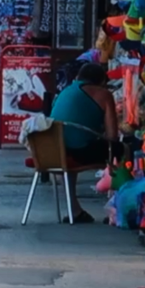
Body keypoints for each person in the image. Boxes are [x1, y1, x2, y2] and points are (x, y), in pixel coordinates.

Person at [49, 62, 118, 224]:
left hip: (53, 151)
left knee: (69, 165)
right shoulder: (103, 94)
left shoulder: (65, 91)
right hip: (80, 150)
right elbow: (113, 136)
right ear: (102, 81)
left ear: (79, 77)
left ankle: (75, 210)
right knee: (122, 151)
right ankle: (117, 209)